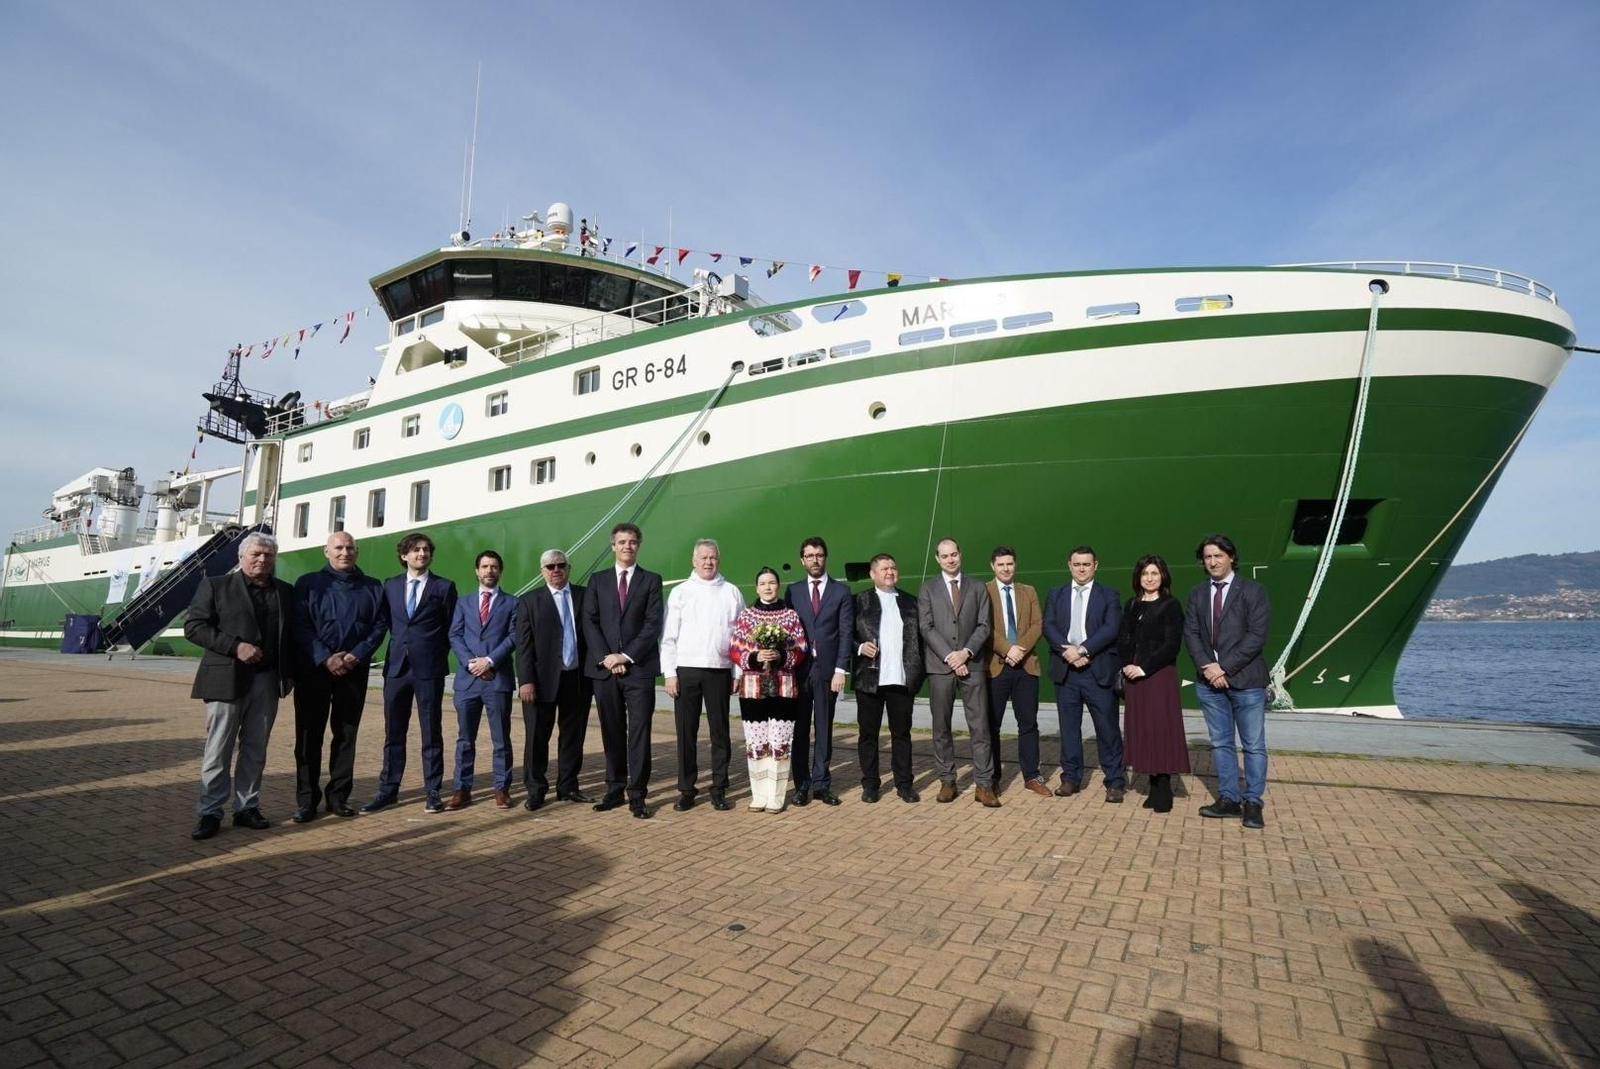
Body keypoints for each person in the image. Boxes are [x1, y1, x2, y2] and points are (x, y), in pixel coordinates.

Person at [185, 532, 295, 840]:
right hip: (225, 679)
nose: (262, 560)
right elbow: (194, 627)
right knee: (218, 748)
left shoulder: (284, 591)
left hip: (267, 680)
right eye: (256, 554)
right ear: (241, 557)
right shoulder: (216, 585)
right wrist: (236, 647)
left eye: (268, 555)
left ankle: (247, 807)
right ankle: (210, 812)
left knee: (256, 749)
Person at [289, 532, 386, 823]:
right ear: (326, 551)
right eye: (339, 548)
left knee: (346, 735)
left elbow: (379, 626)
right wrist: (325, 657)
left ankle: (338, 796)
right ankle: (307, 800)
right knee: (308, 736)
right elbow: (300, 624)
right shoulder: (308, 584)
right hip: (314, 671)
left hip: (353, 672)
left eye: (350, 548)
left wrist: (356, 654)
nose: (345, 553)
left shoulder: (372, 587)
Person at [362, 532, 458, 815]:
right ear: (404, 555)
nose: (422, 554)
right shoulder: (390, 586)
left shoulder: (443, 587)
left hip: (429, 669)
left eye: (426, 550)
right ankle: (387, 790)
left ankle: (432, 791)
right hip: (396, 669)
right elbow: (385, 623)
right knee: (393, 733)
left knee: (431, 732)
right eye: (416, 550)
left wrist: (440, 657)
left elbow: (452, 628)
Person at [1183, 534, 1272, 829]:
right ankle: (1229, 799)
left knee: (1253, 746)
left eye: (1218, 555)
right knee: (1221, 744)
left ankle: (1253, 803)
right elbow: (1192, 634)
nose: (1213, 562)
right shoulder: (1197, 594)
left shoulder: (1253, 591)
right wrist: (1208, 668)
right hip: (1209, 682)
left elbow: (1256, 636)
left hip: (1246, 681)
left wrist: (1225, 668)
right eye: (1208, 557)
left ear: (1231, 557)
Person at [582, 522, 664, 819]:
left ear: (638, 545)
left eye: (632, 542)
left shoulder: (651, 580)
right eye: (622, 542)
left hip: (639, 669)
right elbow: (589, 621)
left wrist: (625, 656)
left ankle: (638, 794)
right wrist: (607, 657)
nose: (627, 546)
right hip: (605, 671)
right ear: (612, 546)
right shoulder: (598, 580)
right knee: (612, 731)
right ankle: (614, 788)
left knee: (640, 733)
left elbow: (652, 624)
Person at [662, 538, 745, 812]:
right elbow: (669, 637)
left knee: (720, 732)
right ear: (694, 561)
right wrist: (670, 674)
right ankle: (686, 789)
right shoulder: (681, 593)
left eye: (713, 558)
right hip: (686, 670)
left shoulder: (732, 592)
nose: (708, 562)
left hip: (720, 670)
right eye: (704, 558)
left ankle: (719, 788)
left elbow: (739, 638)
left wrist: (737, 671)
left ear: (718, 560)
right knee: (686, 732)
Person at [917, 538, 998, 806]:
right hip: (941, 667)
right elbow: (926, 627)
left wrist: (966, 653)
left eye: (954, 554)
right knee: (941, 727)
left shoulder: (977, 587)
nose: (951, 559)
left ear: (960, 555)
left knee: (980, 727)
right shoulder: (928, 588)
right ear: (938, 559)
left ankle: (984, 785)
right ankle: (947, 781)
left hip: (972, 664)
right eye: (945, 556)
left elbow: (984, 626)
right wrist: (951, 657)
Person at [1043, 546, 1125, 801]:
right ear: (1069, 565)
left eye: (1086, 564)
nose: (1081, 569)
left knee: (1107, 728)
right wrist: (1067, 652)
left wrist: (1083, 650)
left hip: (1097, 670)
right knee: (1069, 729)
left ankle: (1115, 781)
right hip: (1065, 671)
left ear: (1095, 565)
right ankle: (1070, 778)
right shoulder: (1055, 594)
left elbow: (1111, 628)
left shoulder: (1110, 595)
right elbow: (1049, 625)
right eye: (1077, 564)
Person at [513, 548, 592, 810]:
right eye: (550, 566)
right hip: (540, 681)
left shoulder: (583, 596)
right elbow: (523, 645)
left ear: (569, 568)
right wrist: (525, 680)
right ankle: (535, 789)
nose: (556, 570)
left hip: (576, 679)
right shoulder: (529, 601)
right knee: (537, 737)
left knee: (573, 737)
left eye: (561, 565)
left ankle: (568, 786)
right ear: (542, 571)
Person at [729, 567, 809, 812]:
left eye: (772, 582)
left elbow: (801, 649)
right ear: (756, 587)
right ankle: (759, 793)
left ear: (778, 585)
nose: (767, 587)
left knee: (780, 741)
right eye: (762, 583)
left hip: (784, 687)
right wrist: (755, 657)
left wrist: (780, 655)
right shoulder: (746, 616)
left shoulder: (790, 616)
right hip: (753, 688)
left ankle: (776, 794)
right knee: (756, 742)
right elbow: (734, 648)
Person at [1116, 555, 1190, 814]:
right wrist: (1126, 663)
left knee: (1160, 728)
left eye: (1154, 574)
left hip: (1157, 675)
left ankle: (1164, 790)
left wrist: (1143, 667)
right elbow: (1123, 636)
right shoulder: (1132, 604)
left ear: (1163, 577)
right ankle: (1152, 783)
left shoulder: (1170, 605)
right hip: (1134, 675)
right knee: (1143, 729)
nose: (1149, 578)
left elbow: (1171, 644)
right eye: (1145, 573)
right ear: (1138, 577)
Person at [446, 550, 518, 810]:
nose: (489, 571)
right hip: (467, 681)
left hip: (497, 680)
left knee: (501, 738)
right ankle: (461, 790)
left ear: (500, 571)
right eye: (485, 566)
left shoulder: (513, 603)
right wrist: (472, 663)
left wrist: (489, 661)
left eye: (494, 566)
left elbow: (513, 636)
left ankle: (501, 788)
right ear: (476, 571)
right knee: (465, 739)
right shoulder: (463, 603)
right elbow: (455, 635)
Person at [784, 536, 853, 807]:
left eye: (819, 555)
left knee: (823, 728)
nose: (815, 560)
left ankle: (822, 784)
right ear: (802, 559)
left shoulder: (841, 592)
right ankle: (801, 785)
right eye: (810, 555)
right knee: (799, 731)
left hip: (827, 671)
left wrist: (840, 670)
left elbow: (846, 632)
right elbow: (787, 630)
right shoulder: (793, 591)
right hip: (799, 671)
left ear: (826, 558)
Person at [854, 554, 925, 803]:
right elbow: (846, 635)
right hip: (870, 679)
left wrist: (918, 672)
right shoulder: (859, 601)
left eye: (893, 567)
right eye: (884, 568)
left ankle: (904, 784)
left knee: (902, 734)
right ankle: (871, 784)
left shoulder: (911, 602)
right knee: (868, 734)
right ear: (872, 574)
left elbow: (921, 639)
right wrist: (859, 647)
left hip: (901, 679)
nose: (890, 571)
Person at [984, 546, 1047, 796]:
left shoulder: (1028, 591)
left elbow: (1037, 624)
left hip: (1026, 666)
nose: (1006, 568)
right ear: (993, 566)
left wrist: (1019, 649)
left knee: (1028, 724)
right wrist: (1007, 650)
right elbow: (983, 627)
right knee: (992, 726)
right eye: (1001, 564)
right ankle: (993, 777)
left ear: (1015, 564)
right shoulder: (983, 592)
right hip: (996, 667)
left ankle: (1032, 776)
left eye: (1010, 564)